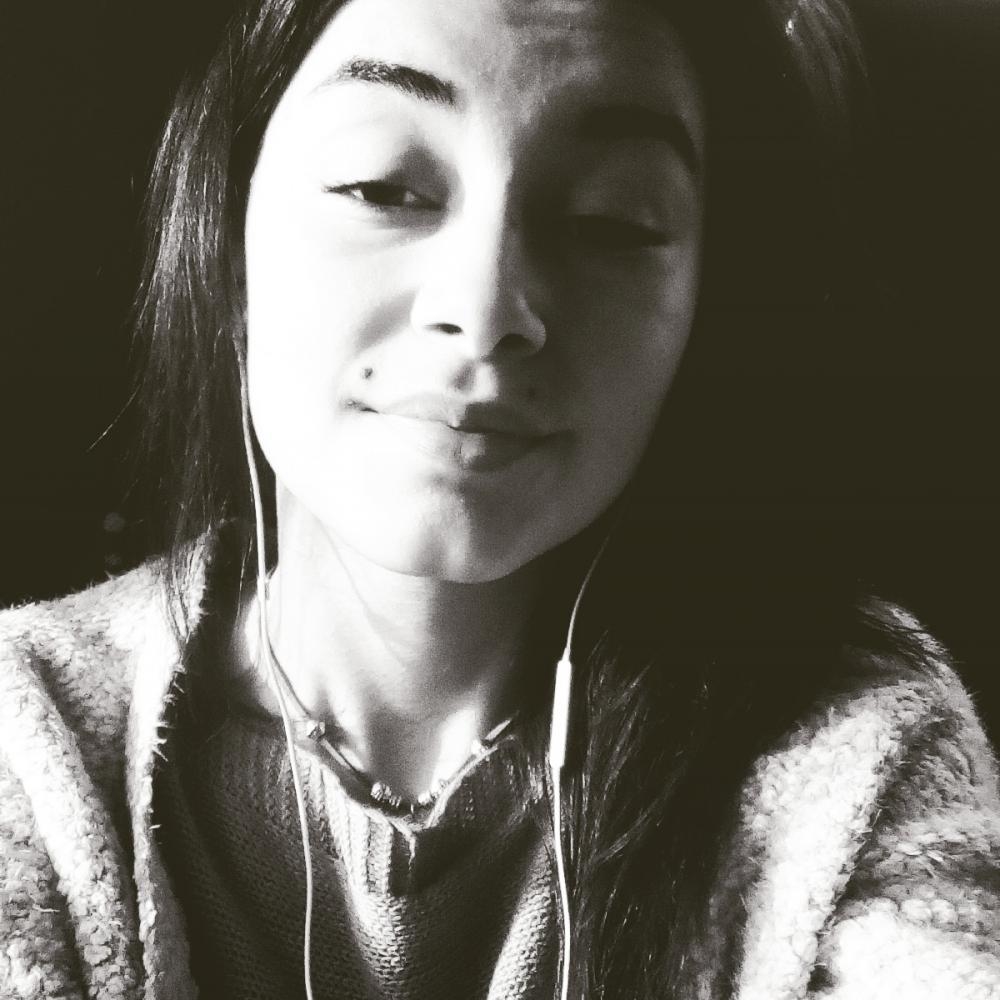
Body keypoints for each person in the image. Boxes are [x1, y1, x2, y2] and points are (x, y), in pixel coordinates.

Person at [1, 0, 998, 997]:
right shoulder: (29, 742)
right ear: (228, 238)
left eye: (611, 219)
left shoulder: (848, 748)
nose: (483, 310)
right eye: (380, 186)